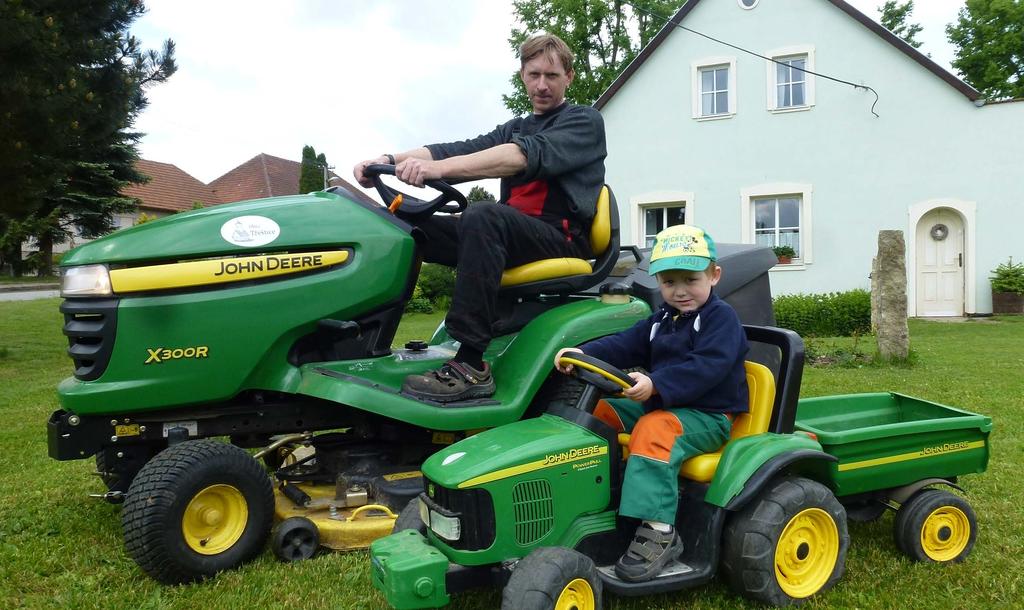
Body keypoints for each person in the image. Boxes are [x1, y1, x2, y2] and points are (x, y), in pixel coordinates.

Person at [353, 33, 606, 403]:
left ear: (568, 76)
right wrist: (389, 161)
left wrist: (433, 169)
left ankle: (471, 364)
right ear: (522, 74)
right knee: (404, 224)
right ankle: (360, 338)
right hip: (509, 235)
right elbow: (460, 149)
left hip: (559, 239)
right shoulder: (515, 127)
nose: (542, 85)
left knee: (484, 215)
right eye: (534, 74)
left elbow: (519, 156)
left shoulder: (584, 122)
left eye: (551, 76)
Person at [553, 224, 749, 582]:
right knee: (597, 411)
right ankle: (593, 494)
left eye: (690, 279)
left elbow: (707, 366)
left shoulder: (722, 320)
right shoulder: (662, 319)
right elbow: (625, 344)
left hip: (708, 415)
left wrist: (657, 383)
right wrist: (584, 352)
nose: (680, 291)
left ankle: (659, 530)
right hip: (666, 406)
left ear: (714, 275)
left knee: (653, 430)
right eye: (669, 282)